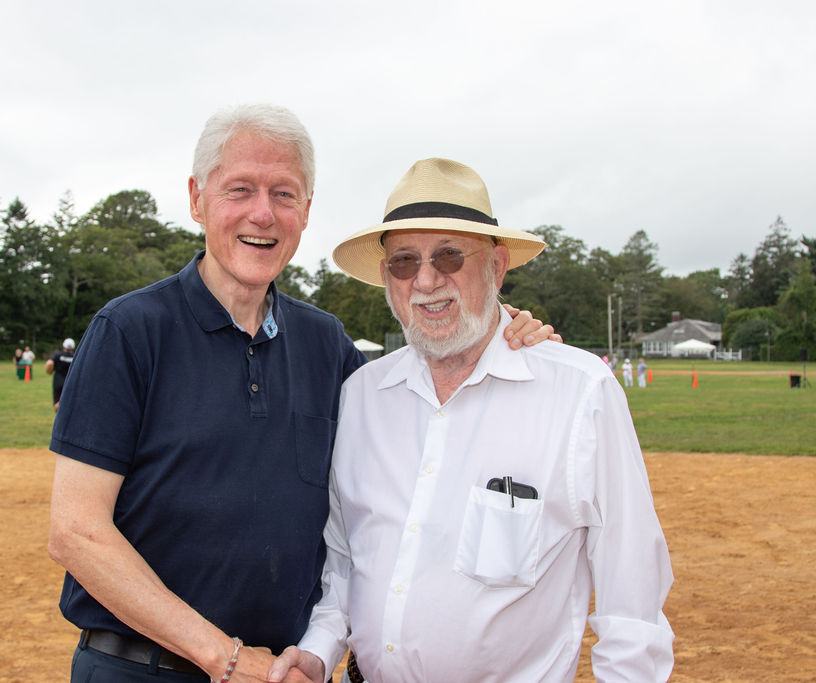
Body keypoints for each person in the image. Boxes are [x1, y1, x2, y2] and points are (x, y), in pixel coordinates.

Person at [47, 105, 556, 683]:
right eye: (240, 189)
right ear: (197, 199)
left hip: (283, 670)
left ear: (306, 210)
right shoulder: (129, 330)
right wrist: (224, 658)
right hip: (142, 669)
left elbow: (425, 405)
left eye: (284, 194)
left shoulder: (325, 343)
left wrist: (502, 331)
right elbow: (76, 532)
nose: (263, 213)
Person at [269, 158, 673, 682]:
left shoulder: (579, 393)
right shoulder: (362, 395)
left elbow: (632, 603)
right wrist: (320, 650)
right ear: (388, 277)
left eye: (450, 255)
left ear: (497, 266)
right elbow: (347, 563)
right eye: (404, 262)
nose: (426, 280)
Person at [45, 338, 76, 412]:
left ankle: (60, 417)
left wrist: (49, 371)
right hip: (71, 382)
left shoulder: (58, 355)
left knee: (57, 403)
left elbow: (49, 363)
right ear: (73, 347)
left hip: (58, 381)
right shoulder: (75, 356)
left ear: (63, 346)